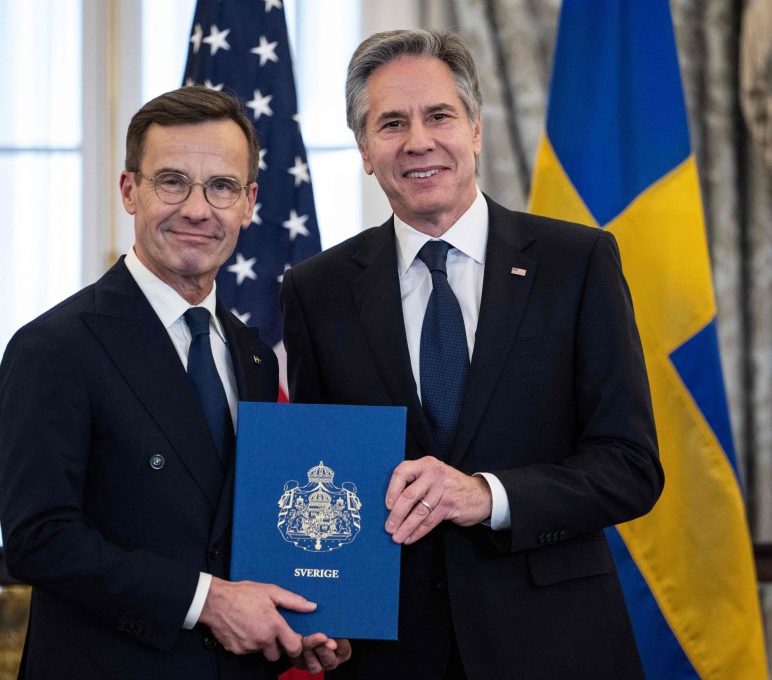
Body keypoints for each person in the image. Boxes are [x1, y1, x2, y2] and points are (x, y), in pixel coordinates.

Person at [280, 30, 664, 679]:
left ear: (476, 129)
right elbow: (319, 468)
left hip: (556, 644)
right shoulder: (316, 291)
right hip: (389, 652)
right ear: (366, 151)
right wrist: (324, 613)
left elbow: (630, 467)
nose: (418, 141)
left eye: (438, 116)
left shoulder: (578, 263)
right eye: (391, 123)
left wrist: (487, 494)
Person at [0, 86, 349, 679]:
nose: (196, 209)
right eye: (172, 181)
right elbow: (40, 538)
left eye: (221, 187)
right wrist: (209, 602)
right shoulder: (55, 347)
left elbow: (249, 534)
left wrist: (296, 623)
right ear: (129, 190)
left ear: (249, 202)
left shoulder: (255, 356)